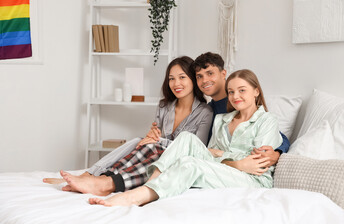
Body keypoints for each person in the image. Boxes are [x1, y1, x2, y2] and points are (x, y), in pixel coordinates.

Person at [88, 69, 282, 207]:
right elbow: (211, 154)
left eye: (242, 90)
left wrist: (223, 157)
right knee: (187, 137)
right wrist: (234, 161)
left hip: (252, 180)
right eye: (231, 91)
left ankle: (138, 195)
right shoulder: (222, 119)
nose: (235, 96)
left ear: (256, 91)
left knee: (191, 164)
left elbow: (257, 165)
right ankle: (150, 184)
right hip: (231, 170)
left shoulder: (267, 121)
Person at [44, 56, 213, 196]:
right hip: (154, 153)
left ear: (193, 79)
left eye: (182, 77)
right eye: (171, 78)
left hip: (177, 162)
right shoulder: (164, 106)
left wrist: (156, 141)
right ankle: (96, 177)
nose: (176, 83)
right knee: (139, 142)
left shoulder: (205, 112)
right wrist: (152, 136)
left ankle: (102, 181)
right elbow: (156, 135)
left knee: (151, 147)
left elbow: (195, 149)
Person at [193, 52, 289, 166]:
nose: (204, 80)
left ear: (223, 74)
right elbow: (207, 150)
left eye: (210, 73)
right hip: (217, 167)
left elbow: (278, 136)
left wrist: (277, 153)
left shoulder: (244, 103)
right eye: (199, 76)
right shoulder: (208, 112)